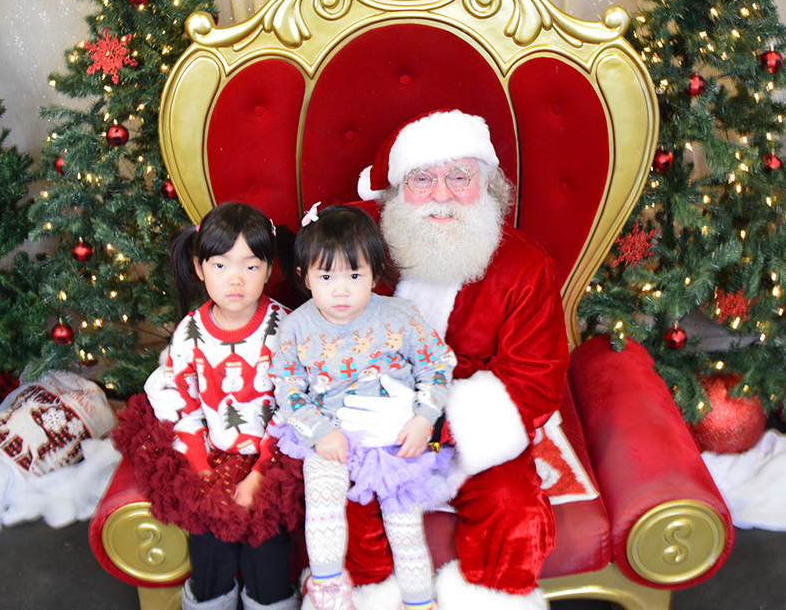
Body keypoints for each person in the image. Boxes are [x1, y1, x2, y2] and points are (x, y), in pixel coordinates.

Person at [337, 109, 570, 610]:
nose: (441, 194)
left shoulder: (526, 266)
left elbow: (533, 381)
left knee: (515, 510)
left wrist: (433, 424)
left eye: (459, 177)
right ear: (396, 192)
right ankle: (367, 599)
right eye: (422, 179)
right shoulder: (355, 246)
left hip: (471, 439)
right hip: (370, 428)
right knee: (342, 496)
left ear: (487, 186)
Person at [112, 202, 304, 610]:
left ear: (269, 269)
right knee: (210, 551)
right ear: (199, 268)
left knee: (267, 555)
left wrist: (258, 476)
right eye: (220, 265)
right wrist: (201, 471)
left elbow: (291, 410)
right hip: (210, 456)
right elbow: (184, 406)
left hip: (273, 460)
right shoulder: (190, 333)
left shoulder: (286, 328)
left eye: (251, 266)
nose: (236, 279)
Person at [269, 204, 457, 610]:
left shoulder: (399, 316)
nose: (341, 290)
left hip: (393, 437)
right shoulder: (295, 327)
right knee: (322, 502)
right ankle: (328, 591)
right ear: (304, 277)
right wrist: (320, 432)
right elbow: (287, 388)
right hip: (329, 432)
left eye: (354, 275)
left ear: (374, 272)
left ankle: (420, 602)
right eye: (326, 276)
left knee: (405, 527)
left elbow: (438, 364)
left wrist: (424, 419)